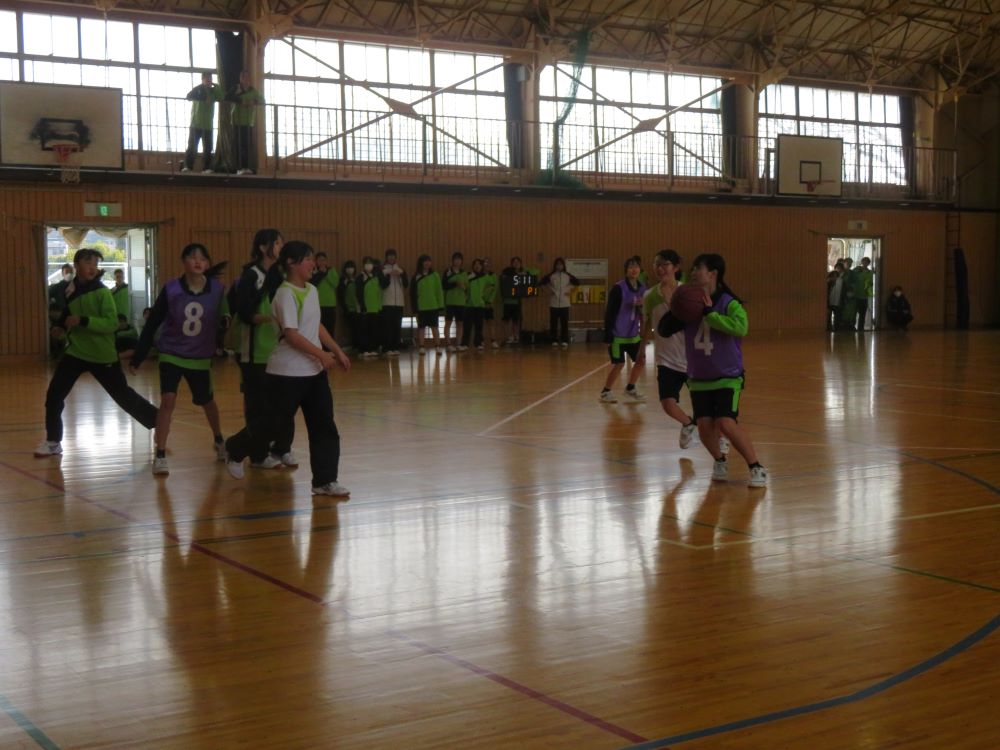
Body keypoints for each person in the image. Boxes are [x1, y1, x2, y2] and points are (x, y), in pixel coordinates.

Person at [234, 240, 351, 495]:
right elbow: (291, 334)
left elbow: (316, 326)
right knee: (272, 425)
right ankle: (235, 449)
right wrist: (322, 354)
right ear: (291, 263)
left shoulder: (312, 290)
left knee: (324, 426)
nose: (313, 263)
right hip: (286, 373)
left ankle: (324, 481)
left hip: (314, 373)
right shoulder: (284, 294)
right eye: (308, 259)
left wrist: (337, 350)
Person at [35, 248, 158, 458]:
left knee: (123, 396)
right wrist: (60, 328)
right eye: (87, 263)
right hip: (76, 352)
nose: (92, 267)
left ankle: (158, 421)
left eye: (95, 263)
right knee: (54, 395)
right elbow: (67, 314)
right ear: (77, 265)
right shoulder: (70, 289)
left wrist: (83, 321)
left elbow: (112, 323)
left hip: (102, 355)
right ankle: (53, 441)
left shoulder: (102, 292)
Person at [659, 253, 767, 488]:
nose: (693, 272)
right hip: (699, 377)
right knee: (705, 427)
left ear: (713, 273)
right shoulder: (689, 301)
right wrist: (675, 308)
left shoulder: (729, 303)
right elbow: (664, 330)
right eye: (692, 268)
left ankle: (756, 466)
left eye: (698, 268)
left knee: (726, 423)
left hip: (728, 375)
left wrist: (711, 315)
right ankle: (719, 460)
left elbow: (741, 328)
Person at [130, 244, 228, 476]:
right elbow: (153, 322)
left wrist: (222, 336)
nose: (198, 262)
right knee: (168, 400)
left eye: (202, 258)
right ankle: (160, 454)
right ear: (183, 261)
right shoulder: (171, 289)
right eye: (192, 257)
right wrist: (139, 356)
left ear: (207, 263)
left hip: (200, 356)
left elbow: (225, 316)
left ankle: (218, 439)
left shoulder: (217, 290)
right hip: (171, 353)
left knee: (207, 401)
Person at [224, 229, 289, 472]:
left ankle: (270, 449)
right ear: (263, 247)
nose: (280, 247)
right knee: (256, 405)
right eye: (277, 243)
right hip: (252, 351)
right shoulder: (251, 275)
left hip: (273, 350)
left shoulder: (277, 274)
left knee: (273, 406)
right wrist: (268, 318)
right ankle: (256, 455)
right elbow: (243, 311)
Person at [599, 256, 646, 403]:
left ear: (640, 270)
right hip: (617, 335)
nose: (634, 269)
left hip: (633, 335)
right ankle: (606, 392)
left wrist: (642, 307)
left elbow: (645, 312)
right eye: (631, 267)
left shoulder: (643, 289)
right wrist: (608, 335)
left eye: (636, 266)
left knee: (641, 360)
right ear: (626, 270)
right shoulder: (618, 288)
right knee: (619, 364)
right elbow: (609, 313)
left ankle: (630, 387)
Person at [182, 71, 223, 173]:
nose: (209, 80)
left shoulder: (214, 91)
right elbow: (188, 96)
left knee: (208, 147)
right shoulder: (198, 89)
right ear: (203, 79)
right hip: (196, 123)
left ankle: (207, 167)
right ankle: (188, 166)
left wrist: (216, 86)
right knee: (192, 146)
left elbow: (221, 97)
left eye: (210, 78)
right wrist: (204, 98)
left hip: (208, 124)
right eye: (207, 78)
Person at [228, 70, 265, 175]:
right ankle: (238, 168)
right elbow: (227, 97)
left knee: (247, 145)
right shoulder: (236, 88)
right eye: (244, 77)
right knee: (237, 145)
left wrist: (253, 102)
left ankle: (246, 167)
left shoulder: (253, 91)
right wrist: (241, 101)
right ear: (241, 78)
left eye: (247, 77)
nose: (246, 80)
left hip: (248, 122)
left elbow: (262, 101)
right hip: (236, 120)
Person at [540, 257, 580, 348]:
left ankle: (564, 340)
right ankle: (554, 340)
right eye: (557, 264)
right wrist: (548, 292)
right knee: (553, 323)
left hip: (565, 303)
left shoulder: (568, 275)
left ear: (563, 266)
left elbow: (577, 283)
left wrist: (571, 292)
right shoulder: (551, 275)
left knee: (564, 323)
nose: (559, 266)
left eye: (561, 264)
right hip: (553, 303)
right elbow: (541, 283)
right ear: (555, 266)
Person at [411, 254, 444, 355]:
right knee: (421, 327)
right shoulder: (416, 276)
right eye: (425, 261)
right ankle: (421, 347)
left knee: (435, 327)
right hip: (421, 306)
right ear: (421, 263)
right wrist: (415, 308)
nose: (427, 263)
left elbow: (439, 291)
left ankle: (438, 346)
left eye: (429, 261)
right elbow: (412, 294)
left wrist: (440, 305)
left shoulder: (435, 275)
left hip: (433, 306)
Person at [379, 248, 408, 356]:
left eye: (393, 255)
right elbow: (382, 285)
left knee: (397, 325)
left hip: (399, 302)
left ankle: (395, 347)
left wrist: (401, 275)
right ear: (386, 257)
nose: (391, 257)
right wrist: (389, 275)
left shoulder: (401, 269)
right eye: (389, 255)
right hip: (387, 302)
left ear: (396, 257)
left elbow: (406, 284)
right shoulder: (382, 270)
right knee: (387, 326)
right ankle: (387, 348)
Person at [356, 256, 383, 358]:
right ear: (363, 265)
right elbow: (358, 293)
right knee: (364, 329)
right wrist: (362, 306)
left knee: (373, 330)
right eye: (366, 263)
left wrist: (379, 306)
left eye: (370, 263)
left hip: (375, 308)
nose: (368, 265)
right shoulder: (360, 277)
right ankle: (364, 349)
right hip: (364, 308)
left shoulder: (376, 277)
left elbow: (379, 292)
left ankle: (372, 349)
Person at [311, 252, 339, 346]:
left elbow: (335, 283)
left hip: (330, 304)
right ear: (316, 262)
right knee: (319, 329)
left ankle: (330, 348)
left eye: (323, 260)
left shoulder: (331, 270)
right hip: (318, 304)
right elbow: (312, 283)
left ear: (326, 261)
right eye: (319, 260)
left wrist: (326, 273)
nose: (322, 262)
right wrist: (320, 273)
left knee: (330, 328)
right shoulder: (313, 271)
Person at [442, 252, 468, 351]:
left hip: (461, 302)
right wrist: (455, 284)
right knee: (448, 323)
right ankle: (448, 344)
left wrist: (464, 287)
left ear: (462, 261)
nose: (457, 261)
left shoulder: (464, 273)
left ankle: (458, 343)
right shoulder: (448, 271)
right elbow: (444, 285)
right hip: (450, 301)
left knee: (460, 323)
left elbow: (467, 287)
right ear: (452, 260)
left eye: (459, 259)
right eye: (456, 259)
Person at [462, 258, 488, 350]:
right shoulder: (468, 276)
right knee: (467, 326)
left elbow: (490, 288)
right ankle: (465, 344)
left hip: (480, 305)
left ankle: (478, 343)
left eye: (479, 264)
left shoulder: (485, 277)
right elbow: (464, 288)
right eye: (475, 264)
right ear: (473, 266)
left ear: (481, 266)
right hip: (469, 305)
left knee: (479, 326)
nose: (477, 266)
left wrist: (485, 299)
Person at [500, 256, 525, 345]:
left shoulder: (523, 272)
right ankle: (508, 337)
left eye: (518, 262)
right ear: (511, 264)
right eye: (514, 262)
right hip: (508, 301)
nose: (516, 263)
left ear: (520, 263)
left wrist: (523, 273)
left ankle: (516, 337)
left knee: (516, 320)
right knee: (507, 320)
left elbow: (535, 272)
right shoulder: (507, 271)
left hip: (517, 301)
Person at [337, 260, 360, 350]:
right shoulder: (342, 280)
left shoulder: (357, 279)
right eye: (348, 267)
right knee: (349, 327)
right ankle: (351, 344)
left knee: (358, 327)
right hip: (347, 308)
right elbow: (340, 294)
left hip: (357, 307)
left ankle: (357, 345)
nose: (350, 269)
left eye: (352, 267)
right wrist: (345, 283)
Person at [481, 257, 499, 349]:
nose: (487, 265)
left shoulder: (493, 276)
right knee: (481, 322)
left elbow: (494, 290)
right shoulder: (479, 275)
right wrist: (482, 301)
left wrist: (490, 301)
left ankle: (493, 341)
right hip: (480, 303)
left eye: (488, 263)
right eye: (485, 263)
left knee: (490, 322)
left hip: (489, 303)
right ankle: (481, 341)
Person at [853, 256, 875, 330]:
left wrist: (870, 285)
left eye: (867, 262)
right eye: (864, 262)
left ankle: (860, 328)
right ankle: (852, 326)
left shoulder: (870, 272)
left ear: (868, 263)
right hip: (856, 295)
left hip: (864, 295)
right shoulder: (856, 270)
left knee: (862, 313)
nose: (865, 263)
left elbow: (871, 283)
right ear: (862, 262)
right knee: (854, 312)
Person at [827, 261, 845, 332]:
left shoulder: (842, 281)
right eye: (837, 268)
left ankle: (836, 329)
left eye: (840, 268)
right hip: (829, 302)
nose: (838, 270)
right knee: (828, 316)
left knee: (837, 316)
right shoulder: (828, 281)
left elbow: (843, 291)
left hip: (837, 302)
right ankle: (829, 328)